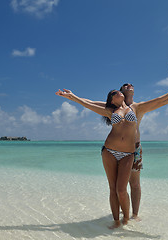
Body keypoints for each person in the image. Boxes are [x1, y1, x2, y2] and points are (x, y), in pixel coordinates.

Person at [81, 82, 168, 220]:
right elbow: (89, 103)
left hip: (134, 149)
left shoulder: (138, 106)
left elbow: (162, 101)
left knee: (134, 184)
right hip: (114, 148)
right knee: (118, 187)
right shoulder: (113, 106)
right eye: (125, 85)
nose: (129, 85)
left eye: (131, 84)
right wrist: (71, 96)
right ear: (120, 92)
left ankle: (134, 215)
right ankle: (119, 216)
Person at [55, 89, 137, 229]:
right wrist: (72, 96)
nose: (118, 92)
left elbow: (159, 101)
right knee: (113, 188)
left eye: (118, 91)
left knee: (121, 190)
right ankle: (116, 221)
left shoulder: (134, 107)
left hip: (128, 153)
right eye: (114, 93)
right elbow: (87, 104)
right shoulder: (109, 111)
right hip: (109, 151)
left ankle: (127, 219)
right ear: (111, 100)